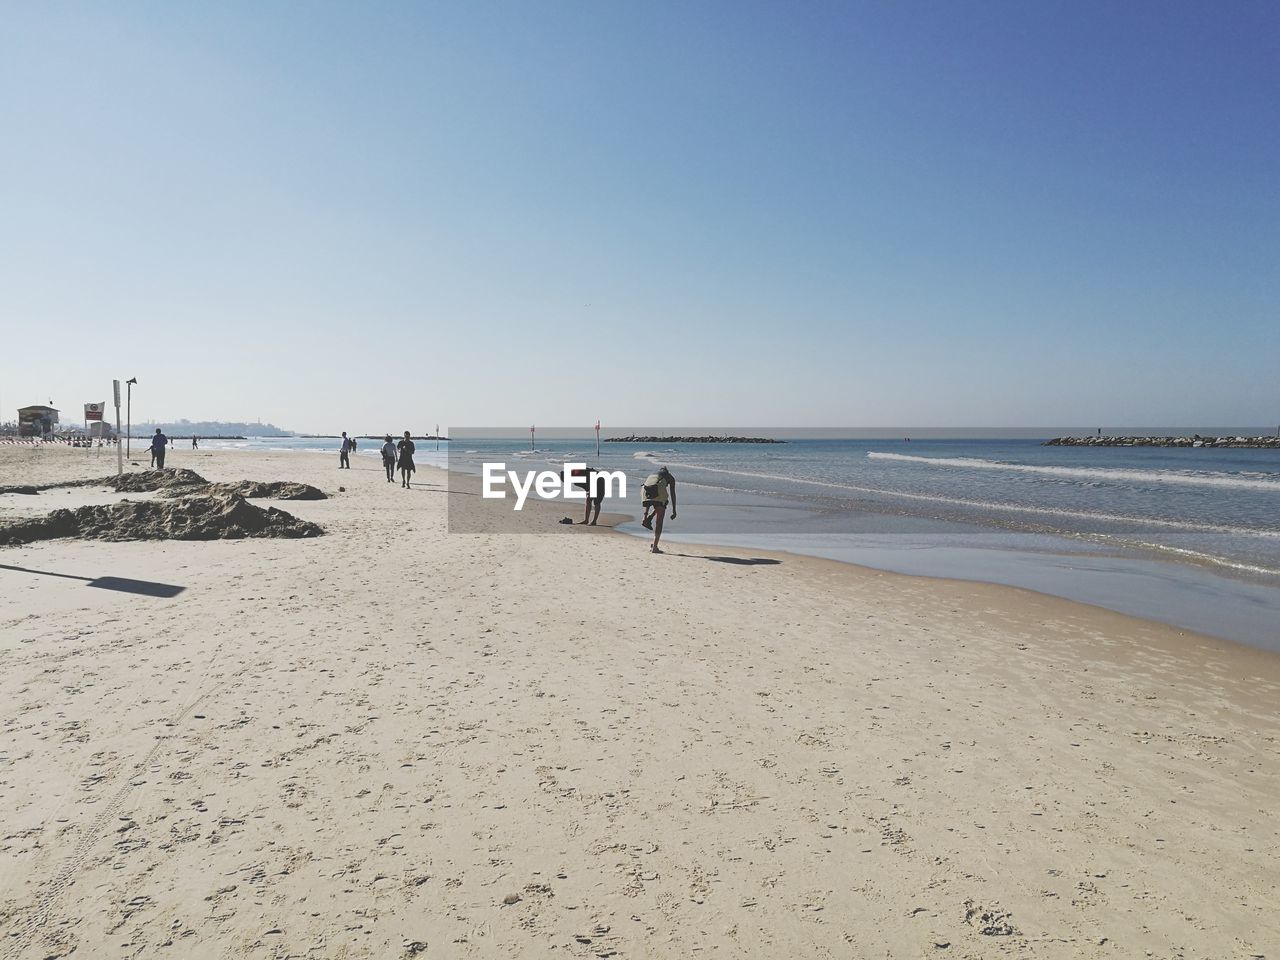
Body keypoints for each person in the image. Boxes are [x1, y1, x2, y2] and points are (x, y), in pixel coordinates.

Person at [640, 466, 677, 553]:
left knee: (657, 502)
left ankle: (647, 518)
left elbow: (648, 498)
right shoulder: (669, 477)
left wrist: (645, 514)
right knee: (659, 522)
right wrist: (674, 510)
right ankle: (655, 547)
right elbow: (672, 493)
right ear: (667, 471)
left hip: (644, 491)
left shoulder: (652, 475)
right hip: (658, 492)